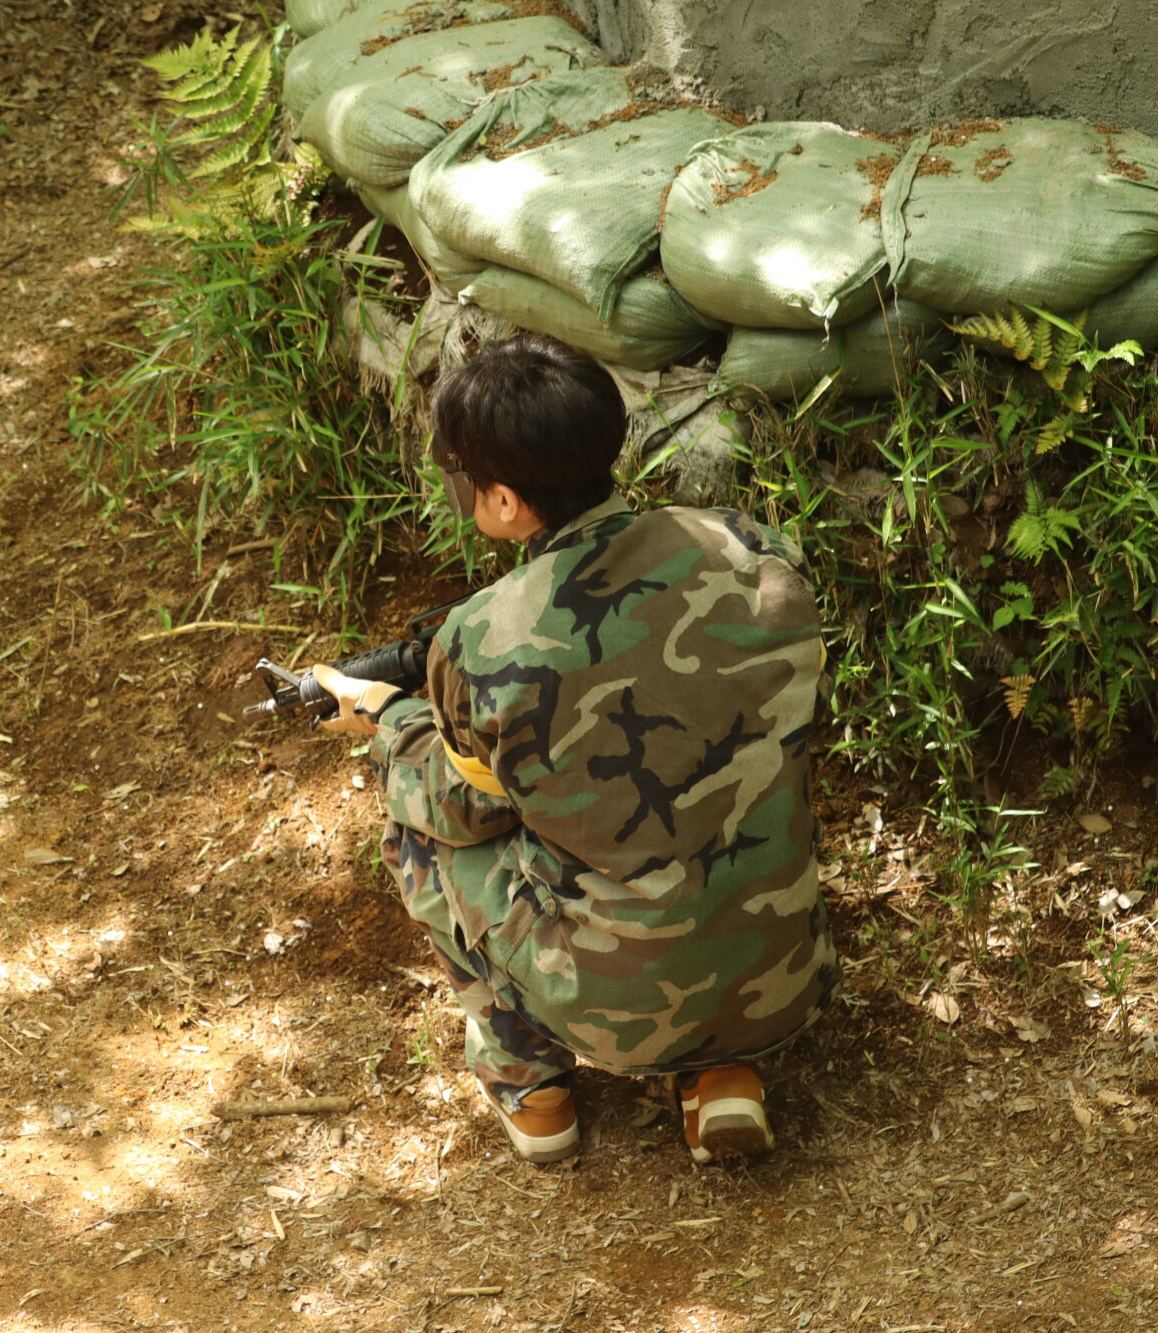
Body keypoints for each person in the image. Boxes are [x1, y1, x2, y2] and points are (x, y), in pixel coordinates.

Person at [311, 335, 837, 1166]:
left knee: (419, 828)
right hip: (785, 971)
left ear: (504, 500)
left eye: (459, 472)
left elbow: (463, 806)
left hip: (617, 1007)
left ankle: (535, 1089)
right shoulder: (751, 546)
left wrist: (387, 720)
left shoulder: (482, 638)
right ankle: (722, 1074)